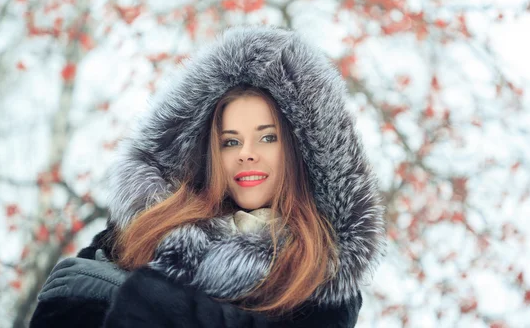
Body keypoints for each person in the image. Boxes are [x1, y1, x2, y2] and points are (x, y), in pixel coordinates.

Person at [29, 25, 386, 327]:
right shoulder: (138, 231)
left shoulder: (318, 277)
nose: (246, 152)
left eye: (267, 137)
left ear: (300, 152)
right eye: (230, 141)